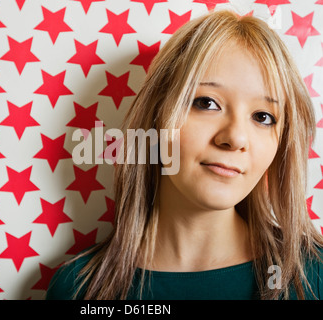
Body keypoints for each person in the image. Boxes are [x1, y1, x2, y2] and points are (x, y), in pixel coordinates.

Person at [46, 9, 323, 300]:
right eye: (206, 102)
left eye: (263, 117)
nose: (235, 137)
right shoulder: (79, 290)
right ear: (157, 115)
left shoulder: (313, 276)